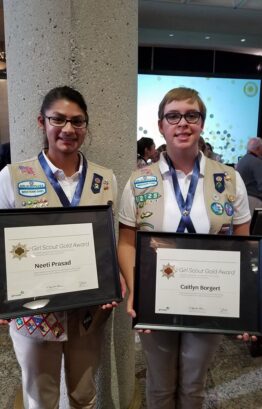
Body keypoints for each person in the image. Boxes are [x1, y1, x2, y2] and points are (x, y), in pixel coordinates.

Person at [118, 87, 250, 409]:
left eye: (191, 115)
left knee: (194, 386)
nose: (183, 123)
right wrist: (135, 290)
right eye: (173, 116)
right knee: (160, 386)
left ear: (202, 123)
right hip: (155, 298)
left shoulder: (229, 179)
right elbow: (126, 242)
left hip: (208, 297)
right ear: (161, 124)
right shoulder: (139, 181)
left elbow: (244, 246)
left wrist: (246, 304)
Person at [0, 86, 120, 409]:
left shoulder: (105, 179)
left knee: (84, 396)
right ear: (42, 122)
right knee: (41, 400)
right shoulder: (13, 177)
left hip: (87, 313)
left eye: (77, 122)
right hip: (34, 316)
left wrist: (113, 281)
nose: (68, 129)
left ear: (86, 127)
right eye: (59, 119)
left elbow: (107, 243)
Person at [236, 137, 262, 215]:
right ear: (259, 148)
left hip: (241, 200)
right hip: (254, 201)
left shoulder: (242, 160)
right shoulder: (257, 162)